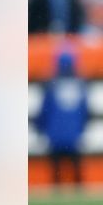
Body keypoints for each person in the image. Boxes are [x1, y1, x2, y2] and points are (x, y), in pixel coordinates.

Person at [34, 49, 91, 189]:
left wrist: (39, 128)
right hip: (74, 137)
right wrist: (81, 130)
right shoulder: (81, 84)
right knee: (77, 173)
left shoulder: (50, 85)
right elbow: (86, 112)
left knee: (56, 175)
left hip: (55, 136)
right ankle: (80, 195)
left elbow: (44, 110)